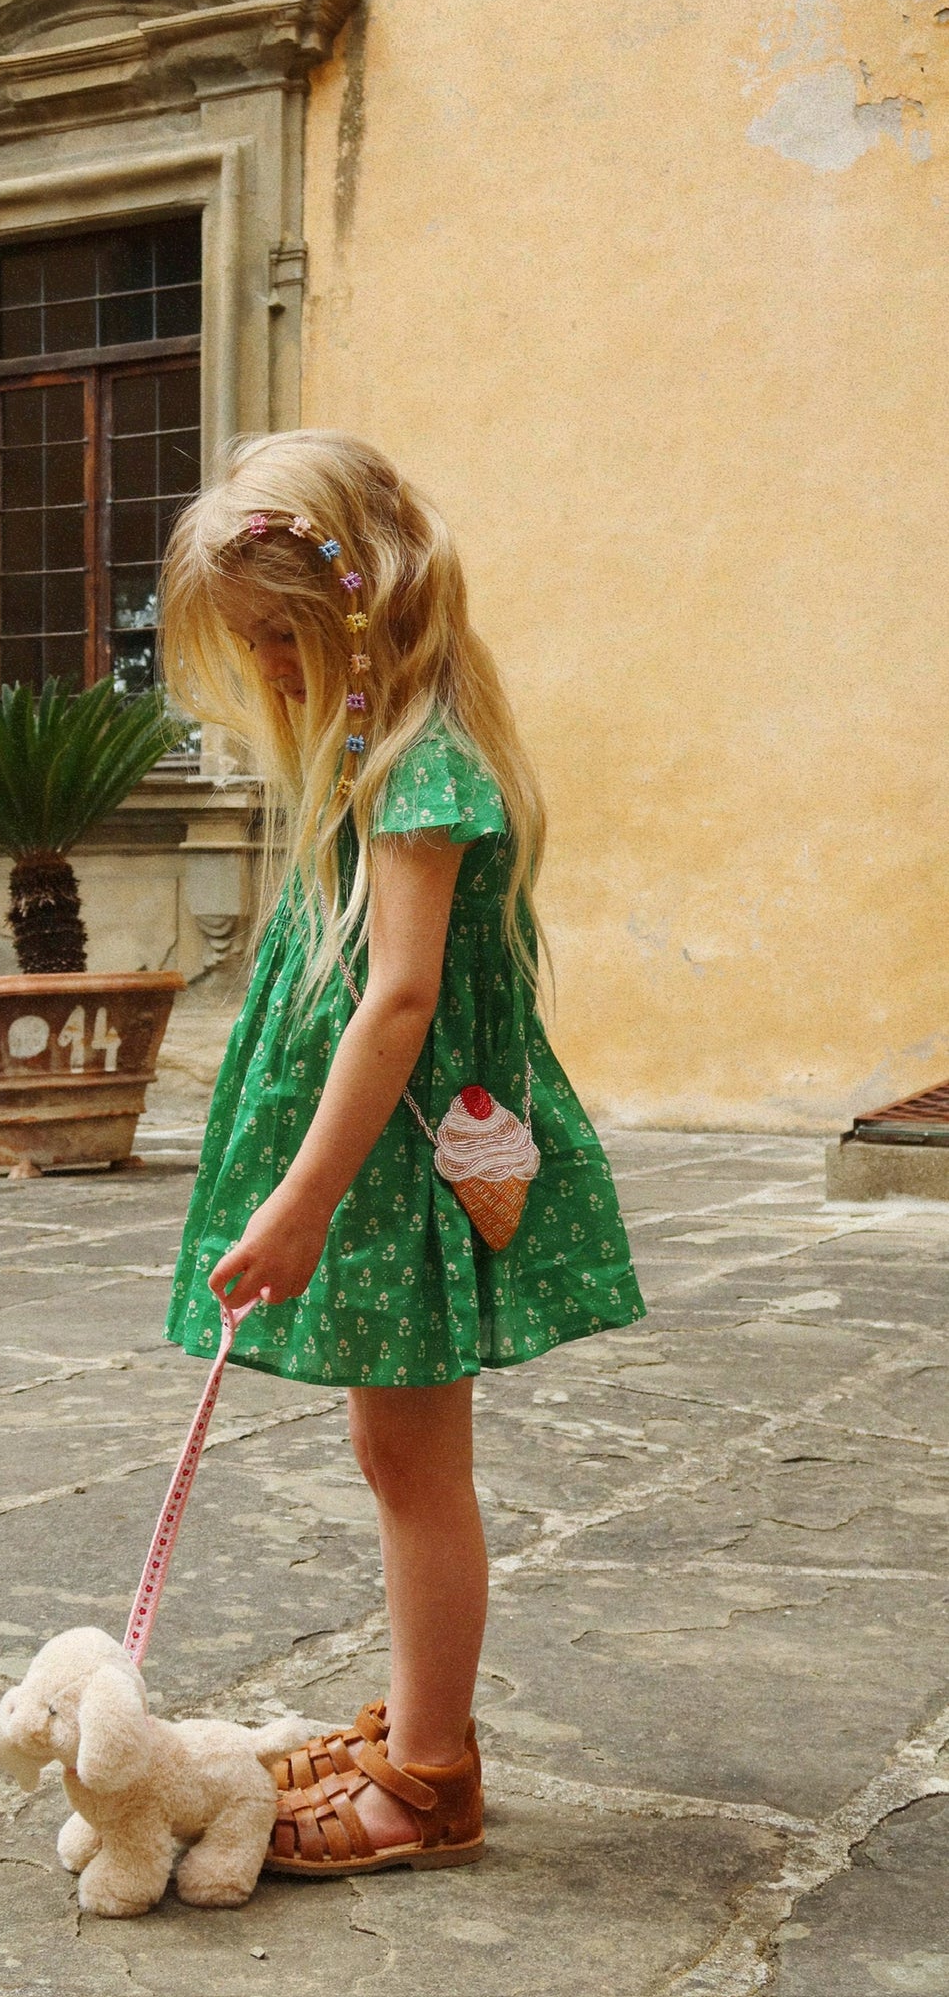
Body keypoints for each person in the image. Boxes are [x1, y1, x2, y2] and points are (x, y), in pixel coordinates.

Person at [158, 429, 646, 1877]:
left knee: (415, 1466)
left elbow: (402, 1001)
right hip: (390, 1172)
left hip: (391, 1177)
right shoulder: (385, 754)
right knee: (396, 1455)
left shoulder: (418, 773)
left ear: (361, 610)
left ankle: (430, 1779)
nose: (271, 672)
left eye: (284, 639)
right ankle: (419, 1728)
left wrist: (300, 1201)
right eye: (254, 645)